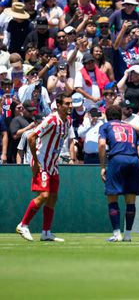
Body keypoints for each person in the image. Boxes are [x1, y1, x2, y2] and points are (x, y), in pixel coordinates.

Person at [15, 93, 73, 242]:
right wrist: (35, 161)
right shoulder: (51, 120)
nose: (70, 106)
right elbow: (31, 137)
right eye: (67, 104)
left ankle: (46, 232)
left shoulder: (68, 121)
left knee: (53, 197)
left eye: (71, 103)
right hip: (41, 162)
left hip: (53, 164)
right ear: (58, 106)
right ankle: (23, 224)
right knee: (44, 195)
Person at [98, 104, 139, 242]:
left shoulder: (106, 126)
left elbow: (102, 144)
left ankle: (117, 233)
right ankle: (128, 235)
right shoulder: (131, 128)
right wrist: (138, 168)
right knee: (130, 201)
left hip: (117, 159)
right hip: (133, 160)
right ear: (121, 116)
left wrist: (102, 166)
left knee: (112, 197)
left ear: (107, 116)